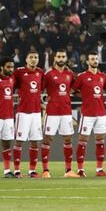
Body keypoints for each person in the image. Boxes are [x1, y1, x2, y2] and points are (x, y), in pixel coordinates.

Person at [41, 50, 76, 178]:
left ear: (66, 58)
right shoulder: (49, 74)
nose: (61, 58)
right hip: (52, 111)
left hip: (66, 111)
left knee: (68, 138)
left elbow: (73, 88)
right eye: (59, 56)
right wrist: (42, 103)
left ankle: (68, 170)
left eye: (63, 56)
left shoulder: (70, 74)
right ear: (54, 58)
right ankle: (45, 170)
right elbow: (39, 89)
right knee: (48, 139)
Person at [74, 53, 106, 177]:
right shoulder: (82, 76)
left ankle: (99, 169)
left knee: (100, 141)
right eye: (92, 59)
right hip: (87, 114)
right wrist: (84, 97)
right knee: (83, 140)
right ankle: (80, 169)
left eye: (96, 59)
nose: (95, 61)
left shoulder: (103, 76)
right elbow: (73, 90)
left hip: (101, 113)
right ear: (87, 62)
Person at [12, 51, 44, 178]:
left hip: (36, 113)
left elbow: (39, 91)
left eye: (36, 57)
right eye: (31, 57)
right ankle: (17, 170)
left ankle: (32, 170)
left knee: (35, 142)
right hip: (23, 112)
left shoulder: (40, 72)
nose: (33, 60)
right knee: (19, 141)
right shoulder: (19, 72)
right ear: (26, 59)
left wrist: (42, 103)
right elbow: (9, 82)